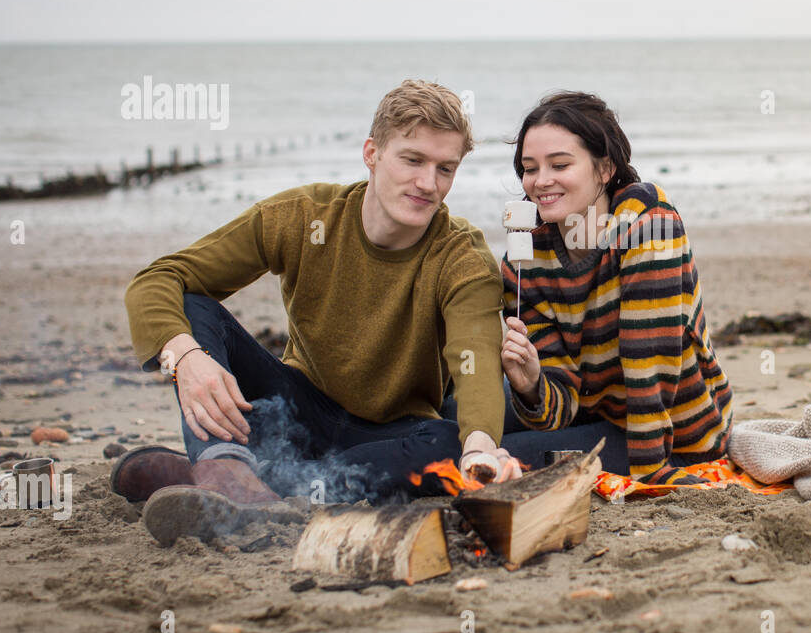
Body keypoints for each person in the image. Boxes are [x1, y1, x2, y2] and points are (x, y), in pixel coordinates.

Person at [117, 80, 519, 545]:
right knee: (192, 307)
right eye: (412, 160)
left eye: (444, 168)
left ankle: (238, 482)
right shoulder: (305, 217)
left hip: (391, 435)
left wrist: (480, 448)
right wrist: (185, 357)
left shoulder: (462, 256)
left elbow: (476, 367)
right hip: (294, 410)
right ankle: (226, 471)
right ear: (372, 153)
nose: (428, 184)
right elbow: (159, 279)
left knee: (449, 443)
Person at [495, 91, 735, 485]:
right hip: (591, 408)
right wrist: (532, 387)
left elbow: (648, 363)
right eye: (529, 167)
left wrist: (652, 473)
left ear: (604, 169)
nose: (540, 182)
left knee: (490, 455)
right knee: (460, 414)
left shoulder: (648, 223)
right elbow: (559, 407)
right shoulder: (525, 263)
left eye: (560, 164)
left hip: (667, 433)